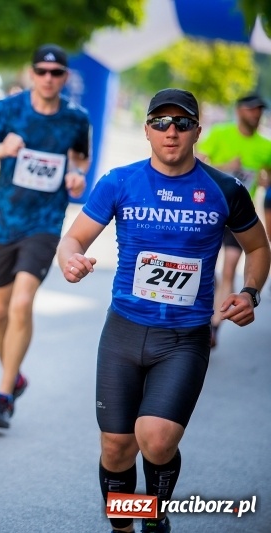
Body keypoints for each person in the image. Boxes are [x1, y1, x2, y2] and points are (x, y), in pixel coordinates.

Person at [57, 88, 270, 533]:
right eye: (160, 122)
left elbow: (257, 246)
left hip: (185, 337)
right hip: (124, 331)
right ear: (146, 130)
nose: (170, 131)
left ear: (196, 130)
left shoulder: (224, 189)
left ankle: (153, 515)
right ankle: (126, 526)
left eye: (181, 122)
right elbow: (73, 238)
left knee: (154, 440)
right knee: (116, 447)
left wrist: (250, 293)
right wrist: (70, 259)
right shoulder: (119, 181)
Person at [0, 44, 90, 428]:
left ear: (64, 77)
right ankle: (14, 374)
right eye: (42, 72)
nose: (48, 79)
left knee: (20, 305)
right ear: (32, 74)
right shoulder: (5, 111)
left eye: (56, 73)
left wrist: (76, 175)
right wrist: (2, 148)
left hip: (45, 223)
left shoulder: (76, 119)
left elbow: (79, 159)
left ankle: (3, 396)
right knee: (0, 311)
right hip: (3, 221)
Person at [196, 93, 271, 348]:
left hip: (238, 216)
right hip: (207, 212)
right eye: (251, 109)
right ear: (239, 110)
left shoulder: (265, 145)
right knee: (206, 269)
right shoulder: (220, 133)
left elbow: (268, 176)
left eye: (259, 110)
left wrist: (265, 181)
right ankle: (209, 295)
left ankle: (213, 327)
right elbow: (197, 163)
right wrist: (226, 167)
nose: (256, 114)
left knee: (230, 267)